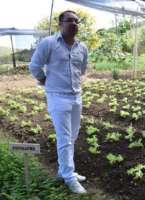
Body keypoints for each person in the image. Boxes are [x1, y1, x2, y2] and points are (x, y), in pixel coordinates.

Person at [29, 10, 88, 194]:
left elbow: (82, 69)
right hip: (57, 96)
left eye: (76, 21)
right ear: (60, 24)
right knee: (64, 138)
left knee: (73, 136)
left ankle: (65, 171)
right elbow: (34, 66)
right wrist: (44, 80)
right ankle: (69, 177)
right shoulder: (48, 43)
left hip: (76, 96)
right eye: (69, 20)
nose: (74, 24)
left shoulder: (82, 47)